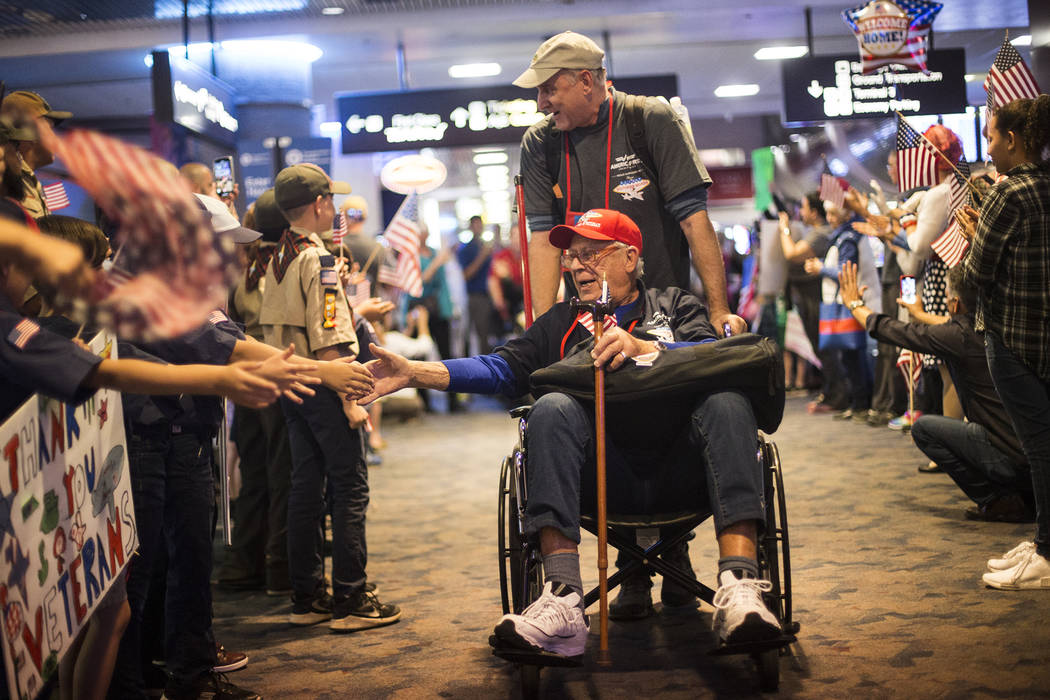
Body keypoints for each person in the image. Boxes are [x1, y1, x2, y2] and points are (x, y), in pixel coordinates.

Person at [361, 208, 781, 659]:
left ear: (630, 257)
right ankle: (561, 599)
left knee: (728, 401)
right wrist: (415, 373)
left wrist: (648, 348)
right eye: (571, 257)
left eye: (591, 254)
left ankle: (740, 587)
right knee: (550, 406)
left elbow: (711, 352)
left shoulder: (675, 305)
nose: (578, 265)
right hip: (595, 482)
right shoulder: (560, 323)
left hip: (686, 472)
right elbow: (498, 368)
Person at [514, 31, 745, 337]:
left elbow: (694, 220)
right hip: (589, 320)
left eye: (548, 90)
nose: (541, 103)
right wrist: (542, 334)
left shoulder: (648, 119)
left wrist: (718, 311)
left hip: (663, 317)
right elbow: (543, 240)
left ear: (585, 82)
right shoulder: (540, 142)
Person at [260, 163, 401, 630]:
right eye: (330, 200)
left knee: (306, 484)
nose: (335, 208)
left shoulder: (279, 256)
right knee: (349, 485)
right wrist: (350, 400)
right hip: (326, 382)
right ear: (319, 204)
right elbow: (329, 333)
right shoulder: (316, 259)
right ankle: (351, 596)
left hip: (292, 382)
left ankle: (307, 595)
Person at [838, 261, 1033, 521]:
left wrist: (854, 305)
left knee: (923, 429)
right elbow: (946, 323)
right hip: (1035, 454)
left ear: (955, 304)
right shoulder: (1004, 324)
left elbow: (893, 331)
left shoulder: (958, 336)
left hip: (1008, 457)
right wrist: (919, 313)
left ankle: (999, 500)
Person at [959, 95, 1050, 590]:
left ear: (1013, 140)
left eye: (992, 137)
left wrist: (974, 238)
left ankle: (1047, 554)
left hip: (1012, 337)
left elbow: (977, 274)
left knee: (1040, 448)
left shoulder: (1007, 192)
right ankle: (1041, 542)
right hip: (1044, 334)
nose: (988, 148)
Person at [216, 189, 296, 595]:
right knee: (284, 475)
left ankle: (246, 562)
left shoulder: (248, 267)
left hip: (246, 376)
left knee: (255, 474)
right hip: (277, 376)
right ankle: (280, 567)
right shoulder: (281, 264)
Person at [0, 90, 72, 218]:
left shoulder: (29, 181)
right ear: (29, 133)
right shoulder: (6, 181)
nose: (55, 138)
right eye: (49, 128)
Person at [457, 215, 494, 354]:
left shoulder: (484, 246)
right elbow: (466, 275)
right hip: (473, 296)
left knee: (486, 333)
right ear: (471, 227)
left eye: (480, 225)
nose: (479, 228)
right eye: (476, 225)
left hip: (487, 295)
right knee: (469, 333)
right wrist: (482, 256)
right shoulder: (466, 249)